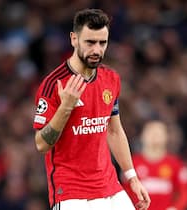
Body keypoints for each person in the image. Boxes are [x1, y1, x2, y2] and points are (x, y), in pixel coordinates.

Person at [32, 8, 150, 210]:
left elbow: (113, 130)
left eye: (102, 43)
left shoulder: (110, 79)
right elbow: (41, 144)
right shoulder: (53, 84)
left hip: (110, 187)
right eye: (90, 42)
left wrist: (132, 177)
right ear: (74, 39)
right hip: (72, 194)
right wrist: (66, 107)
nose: (97, 50)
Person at [124, 120, 187, 210]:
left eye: (159, 133)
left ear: (166, 137)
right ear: (142, 136)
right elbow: (125, 191)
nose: (155, 136)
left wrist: (175, 208)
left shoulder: (176, 165)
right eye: (151, 132)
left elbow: (185, 193)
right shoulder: (131, 164)